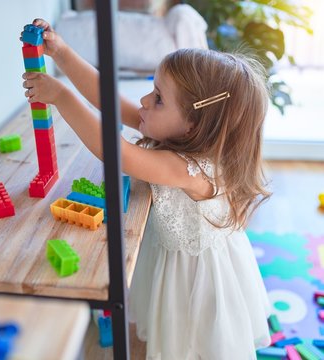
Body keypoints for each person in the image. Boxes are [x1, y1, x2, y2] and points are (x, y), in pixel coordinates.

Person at [22, 18, 272, 360]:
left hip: (196, 282)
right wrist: (62, 53)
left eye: (157, 98)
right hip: (175, 258)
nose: (143, 100)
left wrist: (62, 97)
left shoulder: (190, 169)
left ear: (193, 124)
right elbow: (108, 99)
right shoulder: (182, 134)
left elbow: (118, 152)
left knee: (193, 344)